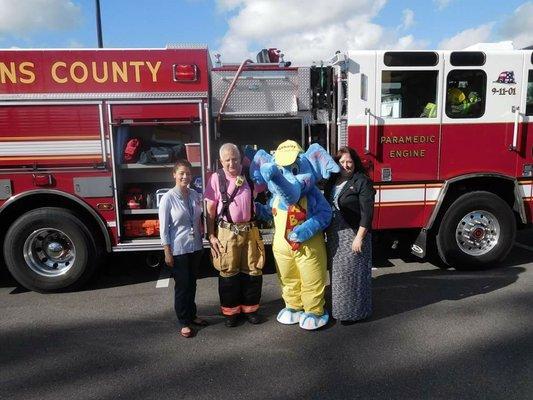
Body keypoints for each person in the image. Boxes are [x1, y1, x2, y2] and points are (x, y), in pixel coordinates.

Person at [205, 143, 265, 327]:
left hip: (250, 231)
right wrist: (211, 235)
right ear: (221, 161)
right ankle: (230, 313)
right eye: (227, 160)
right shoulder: (216, 179)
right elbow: (210, 209)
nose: (232, 163)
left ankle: (250, 310)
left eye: (235, 159)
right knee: (228, 272)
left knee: (253, 271)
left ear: (241, 158)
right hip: (226, 232)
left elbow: (272, 182)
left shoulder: (250, 175)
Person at [324, 146, 375, 323]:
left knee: (354, 275)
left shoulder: (362, 181)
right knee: (338, 275)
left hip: (353, 233)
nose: (346, 165)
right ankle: (340, 310)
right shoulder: (332, 182)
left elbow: (367, 212)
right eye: (342, 162)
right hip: (334, 234)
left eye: (349, 161)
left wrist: (359, 237)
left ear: (355, 163)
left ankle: (357, 313)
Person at [159, 159, 208, 338]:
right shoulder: (168, 198)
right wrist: (167, 251)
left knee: (192, 283)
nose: (185, 177)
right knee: (182, 286)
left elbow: (200, 217)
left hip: (195, 247)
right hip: (178, 249)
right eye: (181, 173)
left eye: (188, 173)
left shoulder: (195, 195)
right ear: (174, 175)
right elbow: (163, 228)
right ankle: (183, 321)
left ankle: (192, 315)